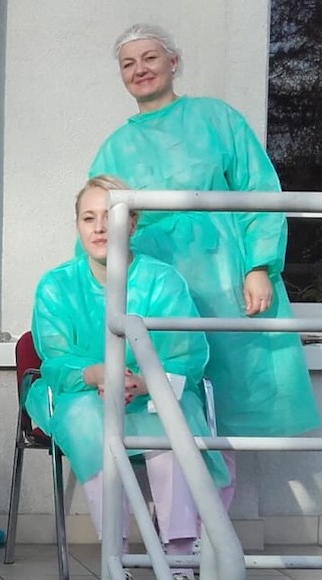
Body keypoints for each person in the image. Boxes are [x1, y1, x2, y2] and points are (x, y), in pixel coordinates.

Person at [90, 23, 320, 509]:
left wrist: (258, 265)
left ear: (174, 62)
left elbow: (260, 189)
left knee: (225, 408)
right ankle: (178, 534)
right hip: (156, 288)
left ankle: (211, 538)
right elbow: (98, 225)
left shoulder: (217, 119)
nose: (140, 70)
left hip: (225, 283)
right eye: (128, 64)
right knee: (170, 402)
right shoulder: (114, 148)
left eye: (150, 58)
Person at [27, 176, 229, 580]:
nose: (99, 227)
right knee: (91, 420)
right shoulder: (56, 286)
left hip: (151, 390)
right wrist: (99, 374)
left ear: (133, 223)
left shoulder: (163, 281)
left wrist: (145, 380)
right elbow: (56, 356)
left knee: (168, 415)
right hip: (82, 394)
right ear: (78, 226)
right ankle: (115, 556)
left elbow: (186, 351)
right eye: (89, 218)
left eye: (111, 216)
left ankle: (180, 556)